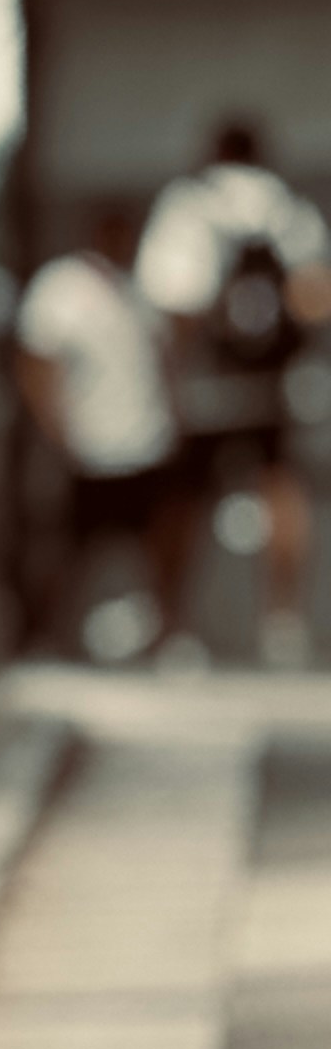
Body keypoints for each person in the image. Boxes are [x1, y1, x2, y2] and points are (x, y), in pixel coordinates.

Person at [134, 116, 329, 668]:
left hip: (207, 390)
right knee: (283, 494)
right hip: (272, 388)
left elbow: (172, 303)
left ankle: (173, 626)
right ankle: (283, 621)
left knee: (183, 504)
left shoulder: (189, 207)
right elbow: (315, 298)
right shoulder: (287, 209)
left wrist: (171, 379)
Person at [12, 206, 184, 663]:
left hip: (147, 445)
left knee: (161, 548)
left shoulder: (140, 291)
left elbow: (164, 359)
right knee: (68, 553)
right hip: (89, 451)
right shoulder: (61, 289)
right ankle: (43, 640)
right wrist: (56, 434)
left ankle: (165, 638)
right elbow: (34, 365)